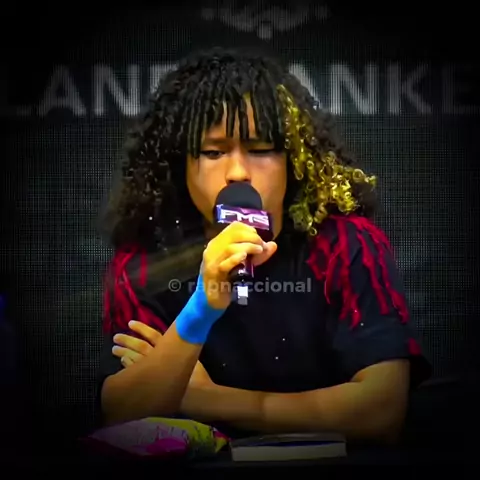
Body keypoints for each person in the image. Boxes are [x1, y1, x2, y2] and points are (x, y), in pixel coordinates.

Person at [97, 46, 431, 443]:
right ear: (180, 165)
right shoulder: (144, 263)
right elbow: (123, 415)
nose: (238, 172)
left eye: (260, 151)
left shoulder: (347, 245)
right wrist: (200, 311)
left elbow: (381, 411)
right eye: (213, 152)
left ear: (294, 160)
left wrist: (206, 399)